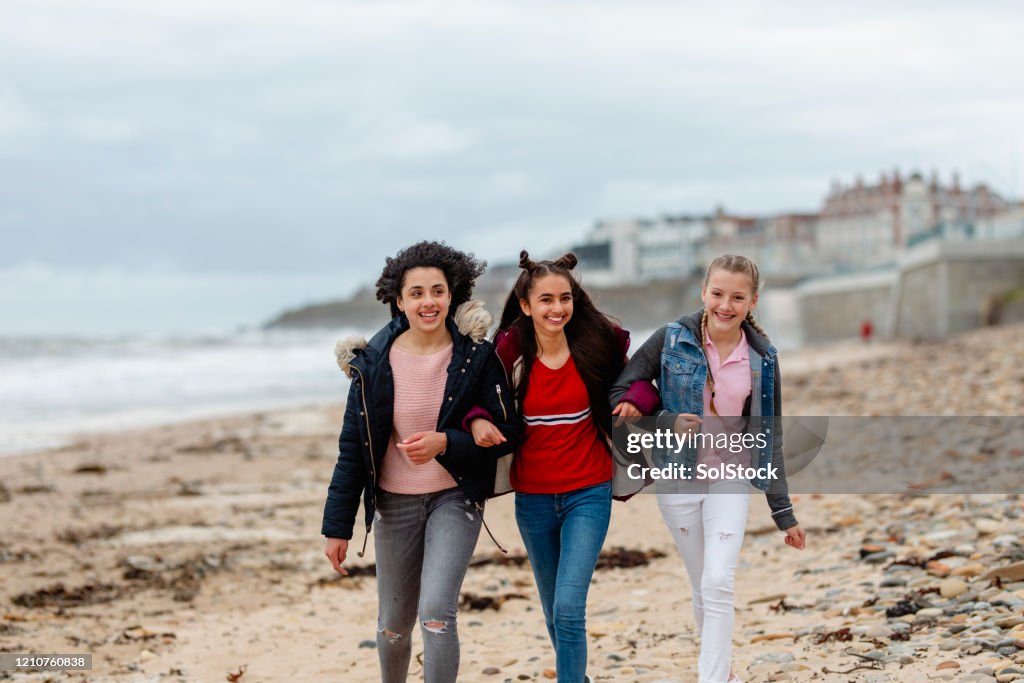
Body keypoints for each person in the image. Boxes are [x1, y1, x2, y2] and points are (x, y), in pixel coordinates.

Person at [321, 241, 520, 683]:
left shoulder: (476, 357)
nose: (428, 301)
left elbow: (508, 430)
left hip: (455, 498)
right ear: (399, 299)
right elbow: (353, 447)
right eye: (416, 293)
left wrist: (446, 443)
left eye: (437, 291)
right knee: (393, 626)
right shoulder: (371, 364)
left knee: (436, 613)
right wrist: (338, 526)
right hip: (394, 505)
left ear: (452, 295)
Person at [610, 254, 806, 683]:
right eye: (717, 293)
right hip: (676, 479)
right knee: (703, 585)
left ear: (753, 301)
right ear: (703, 292)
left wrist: (783, 512)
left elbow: (769, 436)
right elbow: (620, 390)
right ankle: (723, 673)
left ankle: (712, 679)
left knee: (718, 580)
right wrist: (665, 421)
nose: (726, 305)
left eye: (738, 297)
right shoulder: (669, 338)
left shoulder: (763, 358)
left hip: (731, 478)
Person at [465, 251, 658, 683]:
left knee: (570, 606)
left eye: (564, 298)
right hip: (532, 499)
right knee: (554, 610)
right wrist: (477, 419)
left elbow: (638, 383)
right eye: (547, 300)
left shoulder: (594, 343)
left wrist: (634, 402)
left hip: (588, 492)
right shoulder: (510, 353)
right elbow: (480, 396)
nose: (557, 309)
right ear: (527, 305)